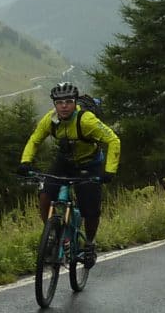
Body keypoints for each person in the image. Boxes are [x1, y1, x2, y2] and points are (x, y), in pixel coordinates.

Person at [17, 82, 121, 265]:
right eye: (59, 102)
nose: (63, 106)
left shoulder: (86, 120)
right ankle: (51, 235)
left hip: (89, 164)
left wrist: (109, 171)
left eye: (68, 101)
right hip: (64, 162)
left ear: (75, 103)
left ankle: (89, 244)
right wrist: (25, 162)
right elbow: (35, 139)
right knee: (44, 194)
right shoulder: (50, 120)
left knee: (90, 211)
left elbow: (113, 140)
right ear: (54, 104)